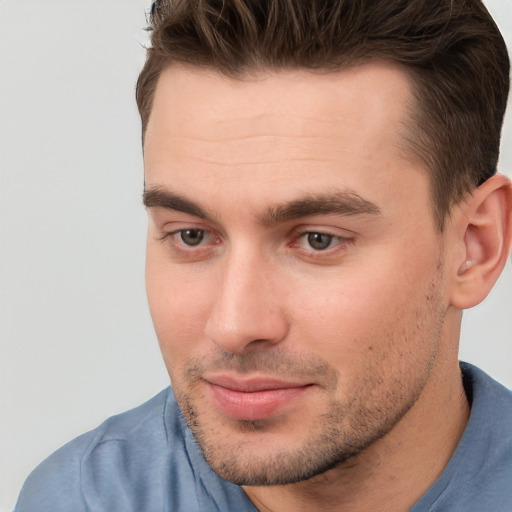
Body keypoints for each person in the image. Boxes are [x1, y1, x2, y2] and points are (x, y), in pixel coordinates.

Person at [14, 0, 512, 510]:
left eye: (319, 239)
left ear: (475, 247)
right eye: (191, 235)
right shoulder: (81, 500)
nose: (234, 325)